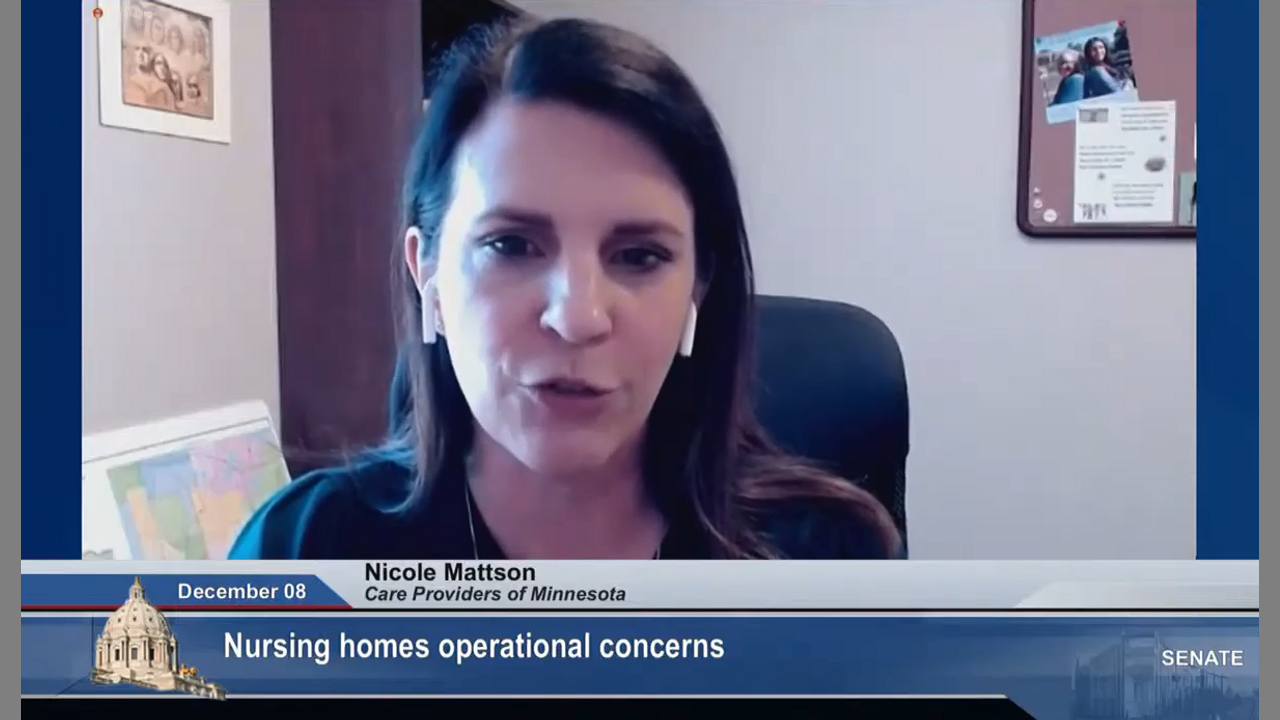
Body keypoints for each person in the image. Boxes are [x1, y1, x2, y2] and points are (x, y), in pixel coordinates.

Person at [229, 17, 904, 561]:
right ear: (426, 274)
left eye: (639, 256)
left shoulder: (825, 560)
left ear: (698, 288)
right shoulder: (302, 552)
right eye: (511, 245)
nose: (578, 317)